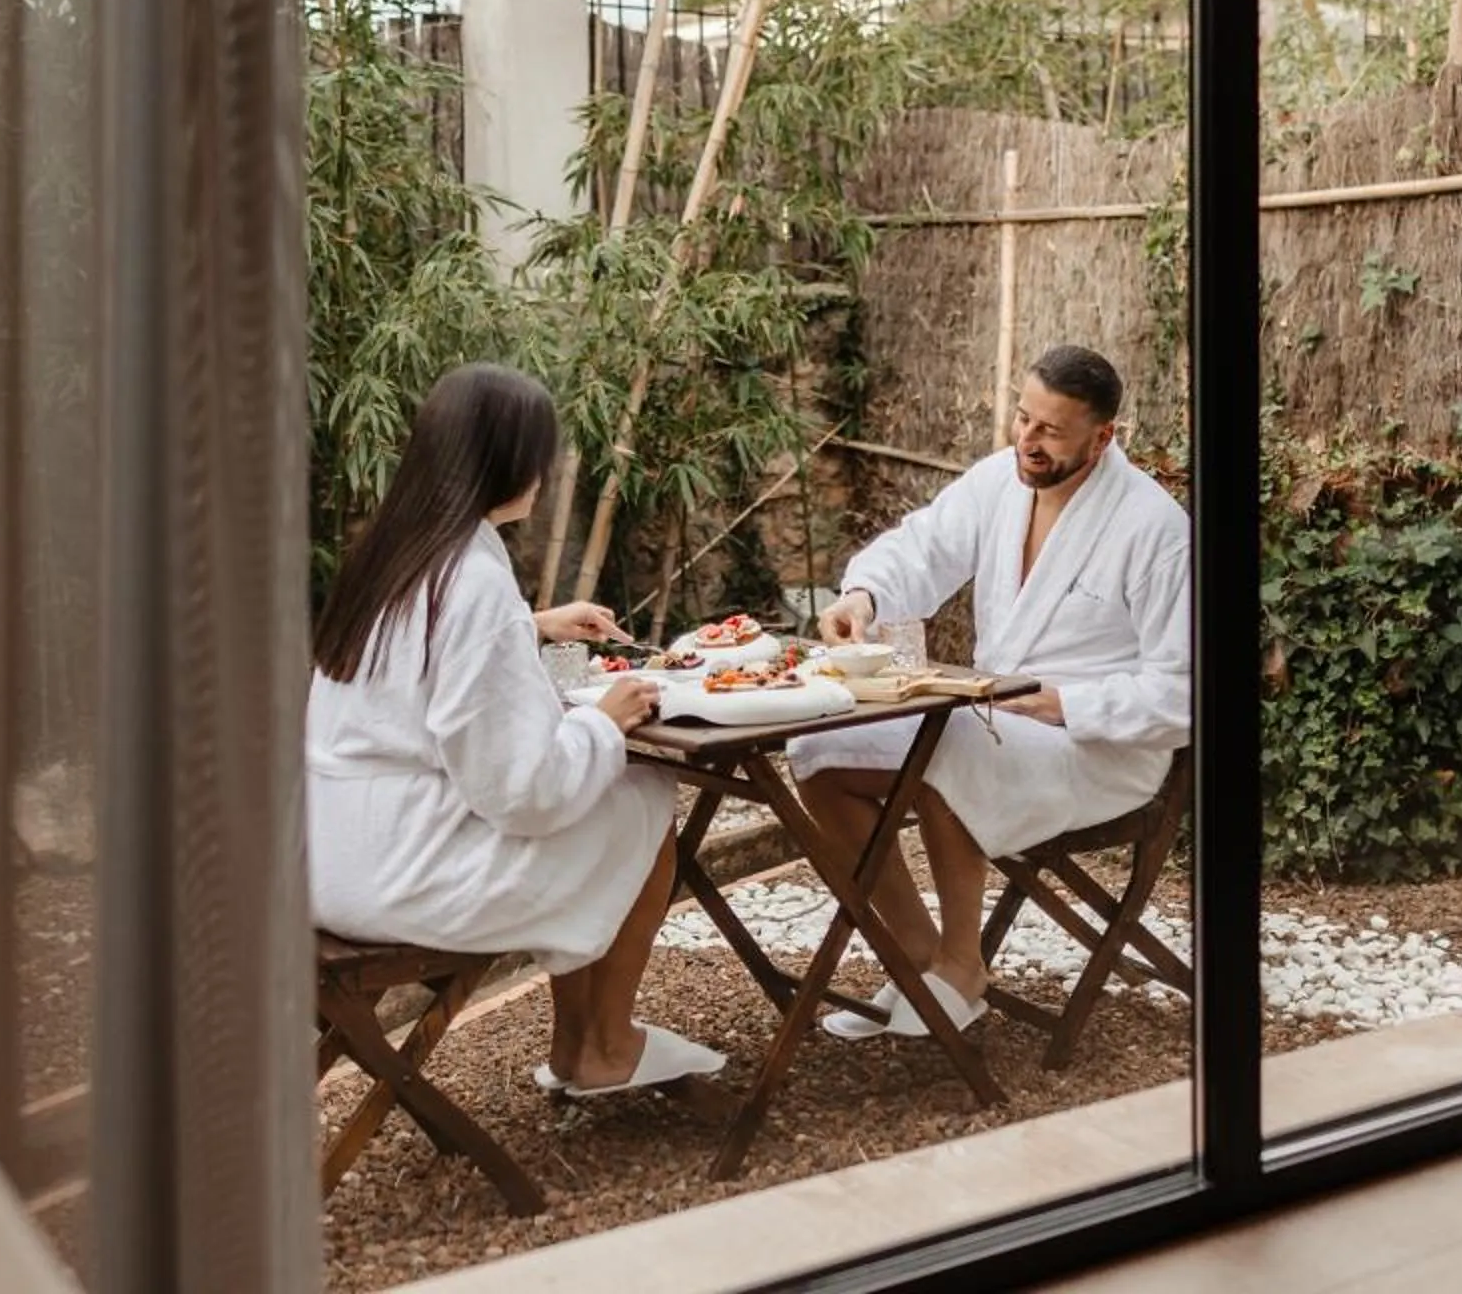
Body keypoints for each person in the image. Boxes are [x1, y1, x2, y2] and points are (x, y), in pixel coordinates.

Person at [306, 363, 727, 1094]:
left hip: (329, 858)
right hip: (404, 876)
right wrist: (606, 719)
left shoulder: (397, 551)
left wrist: (531, 627)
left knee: (609, 795)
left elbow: (417, 668)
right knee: (643, 791)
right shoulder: (470, 583)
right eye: (538, 452)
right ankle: (599, 1046)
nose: (545, 468)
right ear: (502, 460)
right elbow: (521, 791)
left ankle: (582, 1044)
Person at [789, 344, 1190, 1040]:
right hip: (992, 720)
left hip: (1095, 746)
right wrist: (864, 595)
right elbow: (920, 549)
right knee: (819, 749)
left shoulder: (1154, 530)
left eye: (1050, 431)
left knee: (950, 742)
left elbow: (1185, 690)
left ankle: (964, 968)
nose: (1027, 441)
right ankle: (918, 957)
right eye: (1022, 418)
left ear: (1104, 437)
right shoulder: (998, 483)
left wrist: (1061, 703)